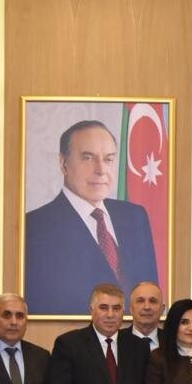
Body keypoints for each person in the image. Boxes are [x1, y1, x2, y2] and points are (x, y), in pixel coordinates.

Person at [24, 120, 160, 316]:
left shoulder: (135, 217)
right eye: (88, 158)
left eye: (108, 159)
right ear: (63, 163)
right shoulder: (36, 227)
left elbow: (151, 295)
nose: (101, 169)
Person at [126, 281, 165, 350]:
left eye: (152, 301)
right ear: (131, 308)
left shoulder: (173, 341)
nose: (147, 307)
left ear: (162, 309)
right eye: (140, 301)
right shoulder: (116, 340)